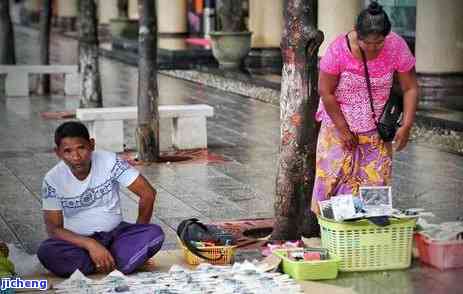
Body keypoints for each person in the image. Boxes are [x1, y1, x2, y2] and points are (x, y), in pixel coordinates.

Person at [311, 2, 419, 214]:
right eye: (365, 42)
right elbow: (326, 92)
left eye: (378, 43)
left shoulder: (396, 46)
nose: (371, 48)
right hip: (337, 125)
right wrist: (343, 129)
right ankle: (334, 234)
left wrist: (406, 125)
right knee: (332, 180)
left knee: (375, 187)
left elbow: (410, 88)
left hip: (376, 129)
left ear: (386, 37)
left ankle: (370, 233)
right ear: (355, 31)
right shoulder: (337, 51)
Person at [37, 121, 164, 277]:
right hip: (79, 244)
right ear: (58, 153)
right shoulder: (52, 179)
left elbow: (148, 193)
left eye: (81, 148)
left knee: (154, 233)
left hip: (116, 236)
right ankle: (115, 261)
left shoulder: (110, 161)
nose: (76, 157)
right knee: (46, 251)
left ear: (91, 145)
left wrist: (139, 229)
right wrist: (91, 245)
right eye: (68, 151)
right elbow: (54, 229)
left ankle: (101, 262)